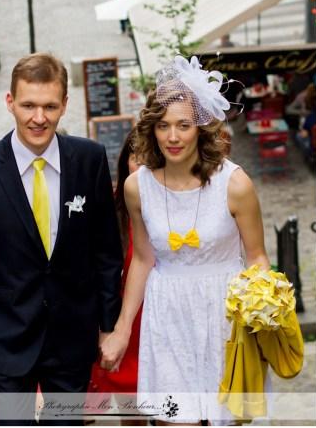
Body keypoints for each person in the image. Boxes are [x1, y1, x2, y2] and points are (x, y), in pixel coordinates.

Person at [0, 53, 123, 425]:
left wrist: (109, 326)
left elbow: (107, 252)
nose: (39, 118)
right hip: (4, 340)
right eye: (29, 105)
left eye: (49, 106)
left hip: (72, 339)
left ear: (65, 104)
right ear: (10, 102)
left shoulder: (89, 159)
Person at [100, 55, 271, 424]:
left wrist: (263, 309)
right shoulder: (137, 188)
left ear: (202, 128)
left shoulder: (235, 184)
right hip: (167, 315)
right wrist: (122, 329)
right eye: (163, 126)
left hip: (225, 314)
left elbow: (257, 257)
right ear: (151, 129)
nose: (173, 137)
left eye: (183, 125)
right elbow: (143, 259)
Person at [87, 131, 146, 426]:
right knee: (131, 406)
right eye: (137, 157)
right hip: (125, 319)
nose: (143, 165)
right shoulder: (112, 206)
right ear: (125, 162)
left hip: (162, 316)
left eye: (151, 158)